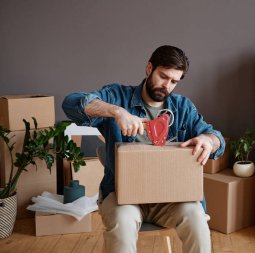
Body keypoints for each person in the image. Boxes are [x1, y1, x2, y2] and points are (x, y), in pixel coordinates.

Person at [62, 45, 225, 253]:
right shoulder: (117, 96)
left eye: (174, 81)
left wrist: (208, 140)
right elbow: (70, 104)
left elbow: (216, 138)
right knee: (123, 221)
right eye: (163, 76)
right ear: (149, 69)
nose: (166, 85)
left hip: (170, 198)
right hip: (122, 197)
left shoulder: (183, 108)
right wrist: (116, 112)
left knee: (196, 217)